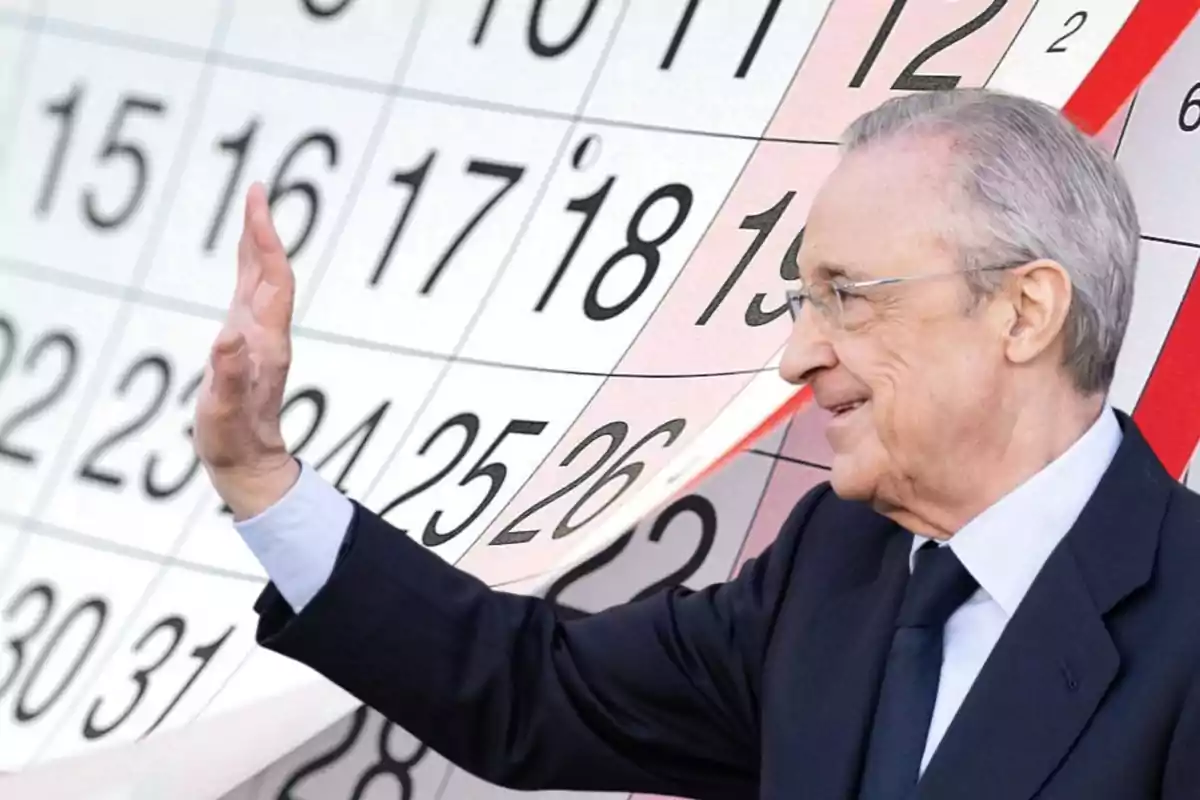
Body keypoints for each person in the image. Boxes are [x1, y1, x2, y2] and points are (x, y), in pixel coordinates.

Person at [193, 88, 1200, 800]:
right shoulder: (834, 562)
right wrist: (260, 476)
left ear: (1024, 311)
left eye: (844, 297)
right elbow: (533, 690)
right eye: (806, 301)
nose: (798, 355)